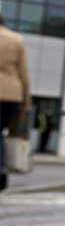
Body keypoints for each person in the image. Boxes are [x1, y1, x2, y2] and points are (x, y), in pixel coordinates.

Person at [1, 13, 32, 188]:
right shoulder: (16, 40)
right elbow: (24, 74)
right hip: (12, 94)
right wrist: (25, 100)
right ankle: (2, 171)